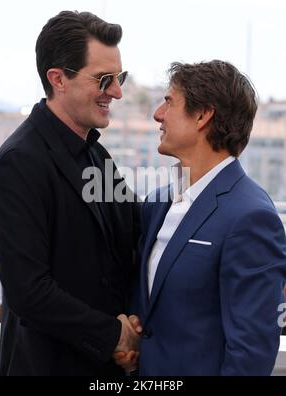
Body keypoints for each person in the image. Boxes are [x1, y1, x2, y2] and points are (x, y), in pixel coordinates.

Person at [0, 11, 141, 376]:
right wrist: (114, 336)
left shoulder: (96, 153)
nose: (117, 92)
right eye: (105, 79)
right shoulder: (19, 160)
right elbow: (29, 292)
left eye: (119, 78)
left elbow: (131, 236)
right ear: (58, 79)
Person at [116, 60, 286, 375]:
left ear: (202, 115)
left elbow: (251, 354)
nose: (158, 114)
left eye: (169, 102)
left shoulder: (251, 217)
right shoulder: (157, 203)